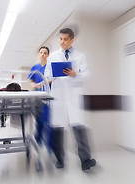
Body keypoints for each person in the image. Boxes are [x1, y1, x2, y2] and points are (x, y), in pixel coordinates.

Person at [45, 27, 96, 171]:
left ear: (72, 40)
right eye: (60, 39)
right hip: (59, 97)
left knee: (79, 129)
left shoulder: (80, 56)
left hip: (73, 97)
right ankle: (60, 159)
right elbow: (47, 76)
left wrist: (75, 74)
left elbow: (87, 74)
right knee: (58, 131)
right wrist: (54, 74)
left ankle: (86, 160)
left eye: (65, 39)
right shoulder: (53, 56)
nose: (62, 42)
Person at [29, 46, 52, 149]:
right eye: (41, 52)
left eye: (45, 53)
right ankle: (37, 141)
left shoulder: (49, 67)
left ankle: (49, 146)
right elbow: (32, 80)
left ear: (48, 55)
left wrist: (43, 83)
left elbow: (52, 79)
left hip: (48, 97)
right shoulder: (35, 67)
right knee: (38, 121)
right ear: (39, 54)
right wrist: (34, 85)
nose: (43, 54)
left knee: (48, 121)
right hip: (37, 98)